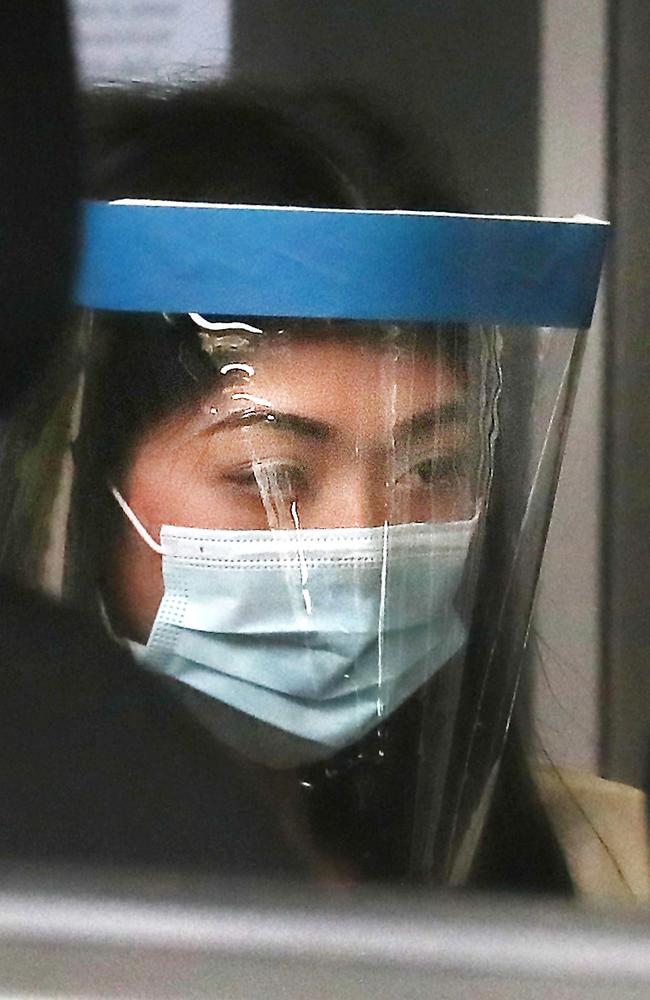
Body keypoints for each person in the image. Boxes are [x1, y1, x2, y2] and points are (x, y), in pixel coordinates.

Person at [2, 82, 640, 897]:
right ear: (72, 481)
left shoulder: (612, 871)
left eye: (430, 470)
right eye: (268, 476)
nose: (363, 543)